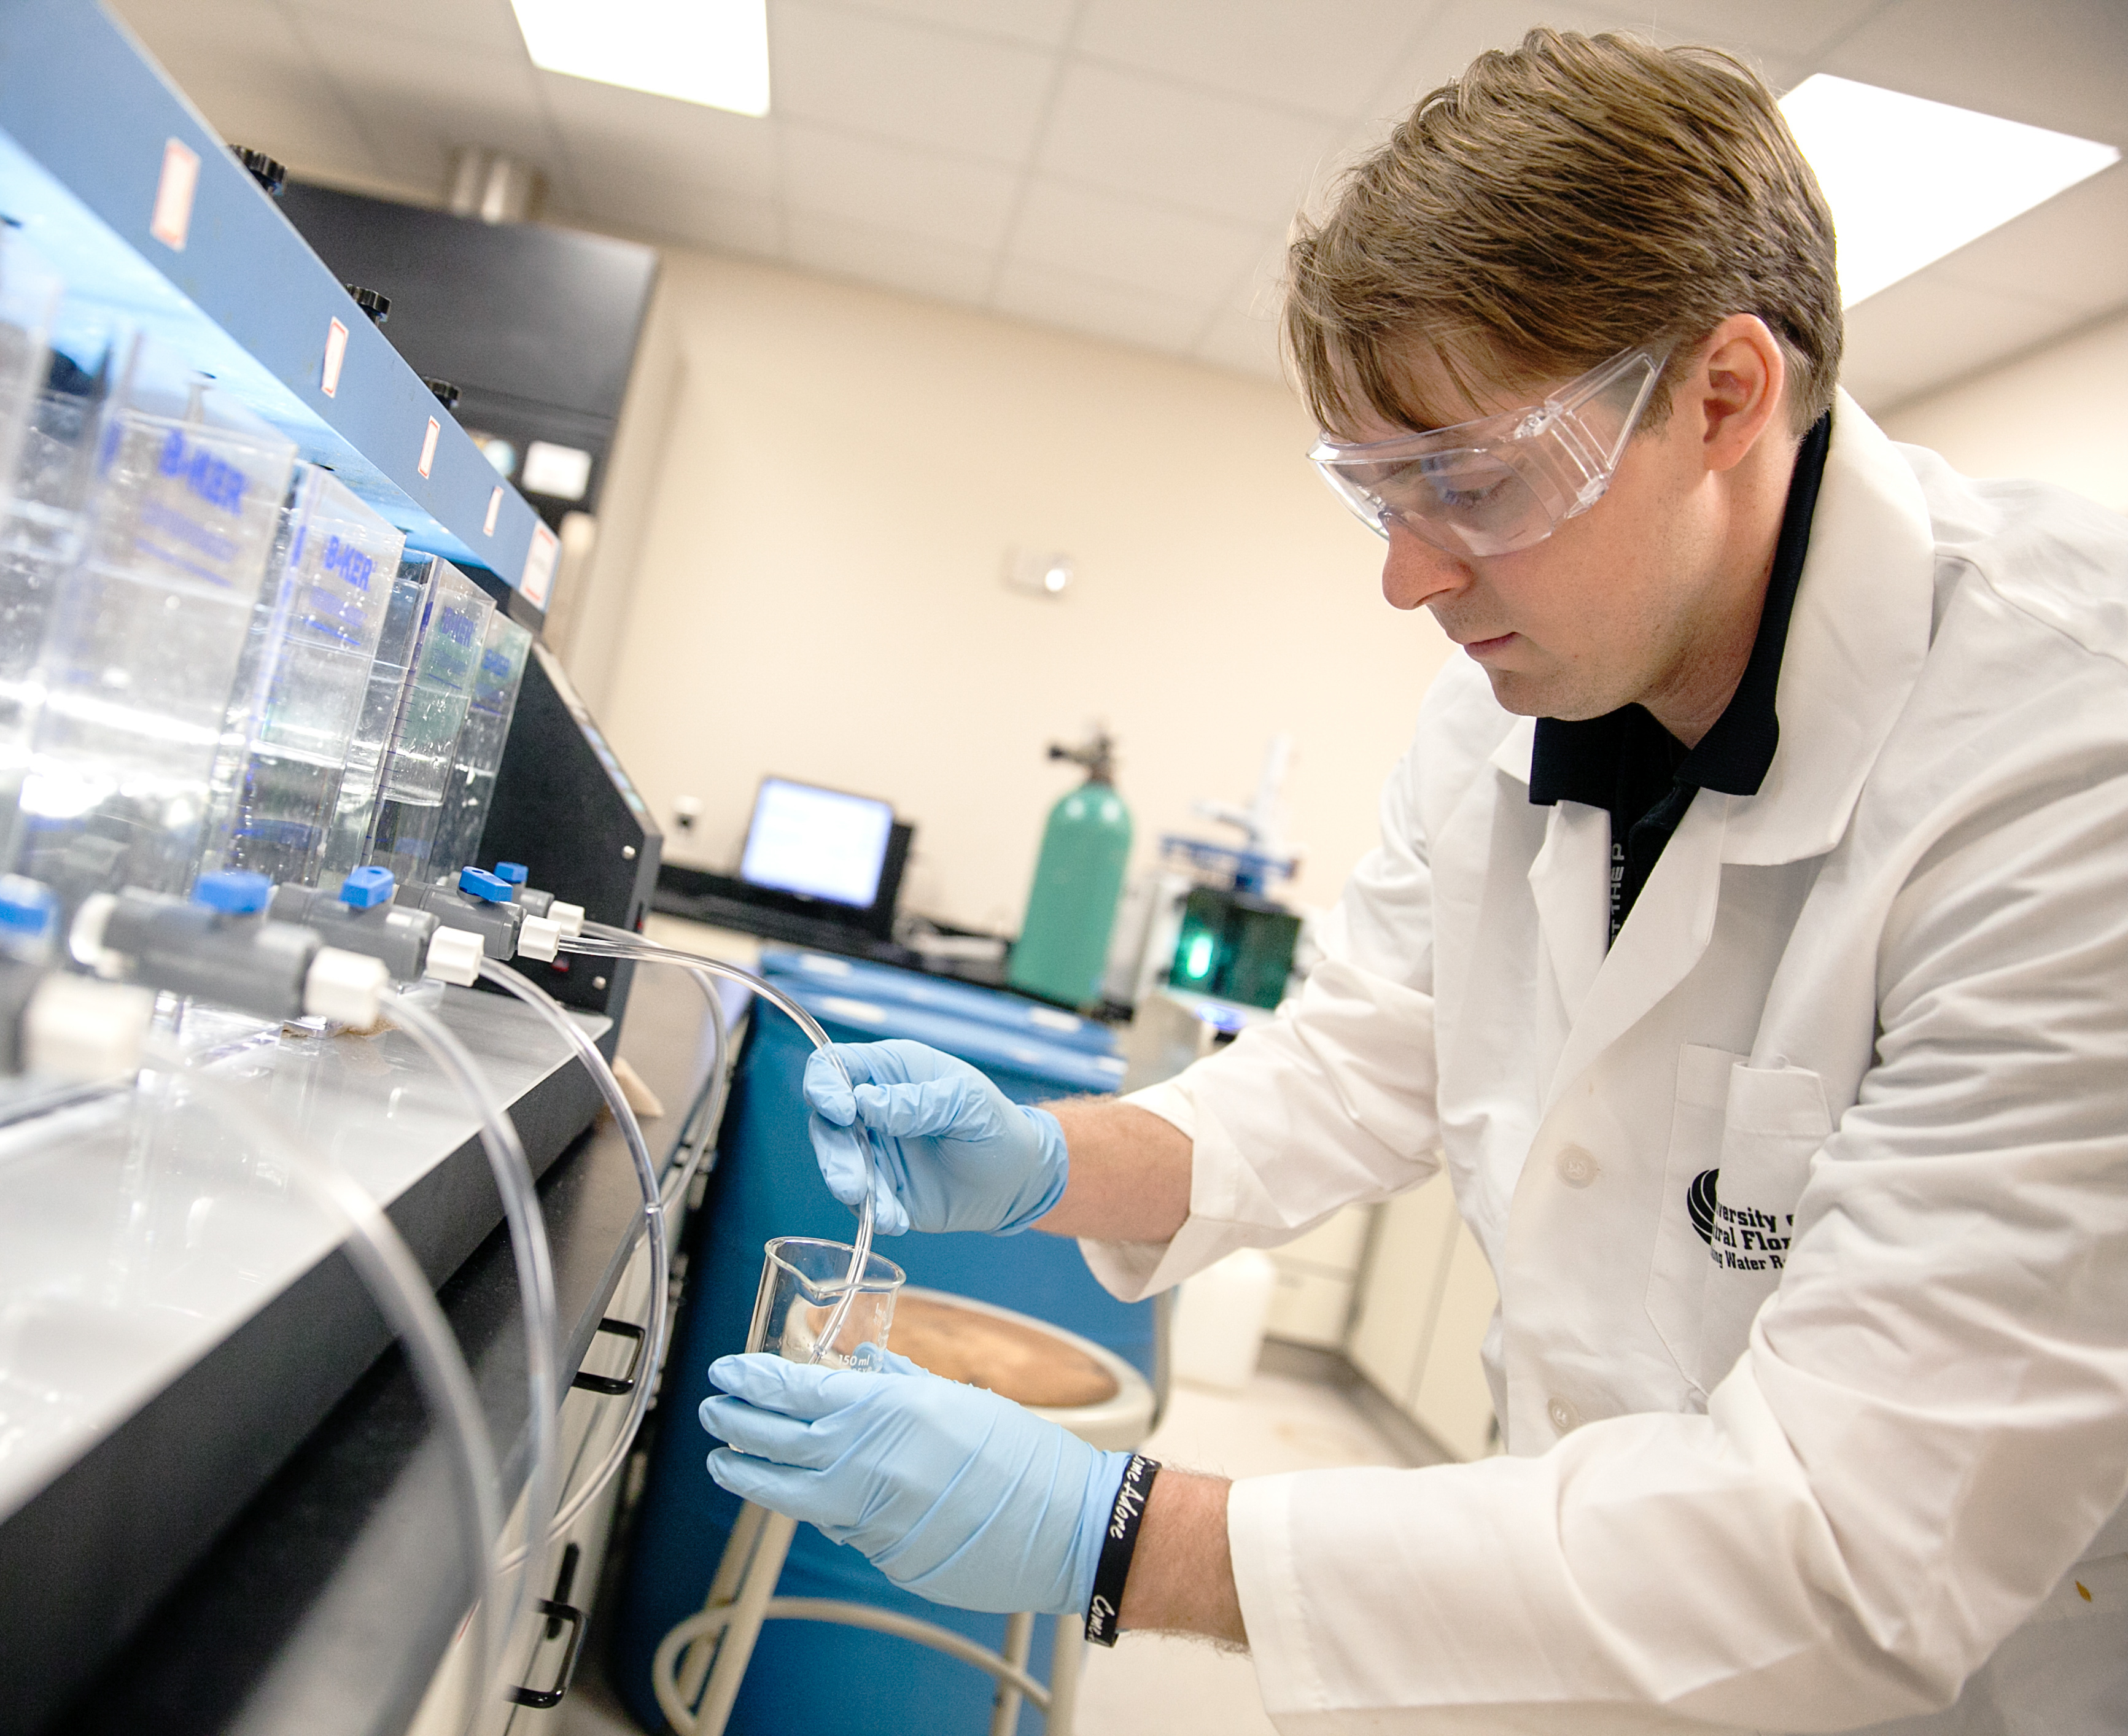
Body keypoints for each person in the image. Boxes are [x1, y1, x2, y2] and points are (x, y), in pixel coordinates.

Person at [694, 28, 2128, 1733]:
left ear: (1722, 397)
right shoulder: (1520, 689)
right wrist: (1043, 1160)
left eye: (1467, 482)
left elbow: (1839, 1542)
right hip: (1582, 1609)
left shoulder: (2065, 762)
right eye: (1376, 490)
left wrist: (1120, 1533)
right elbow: (1368, 1048)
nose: (1407, 576)